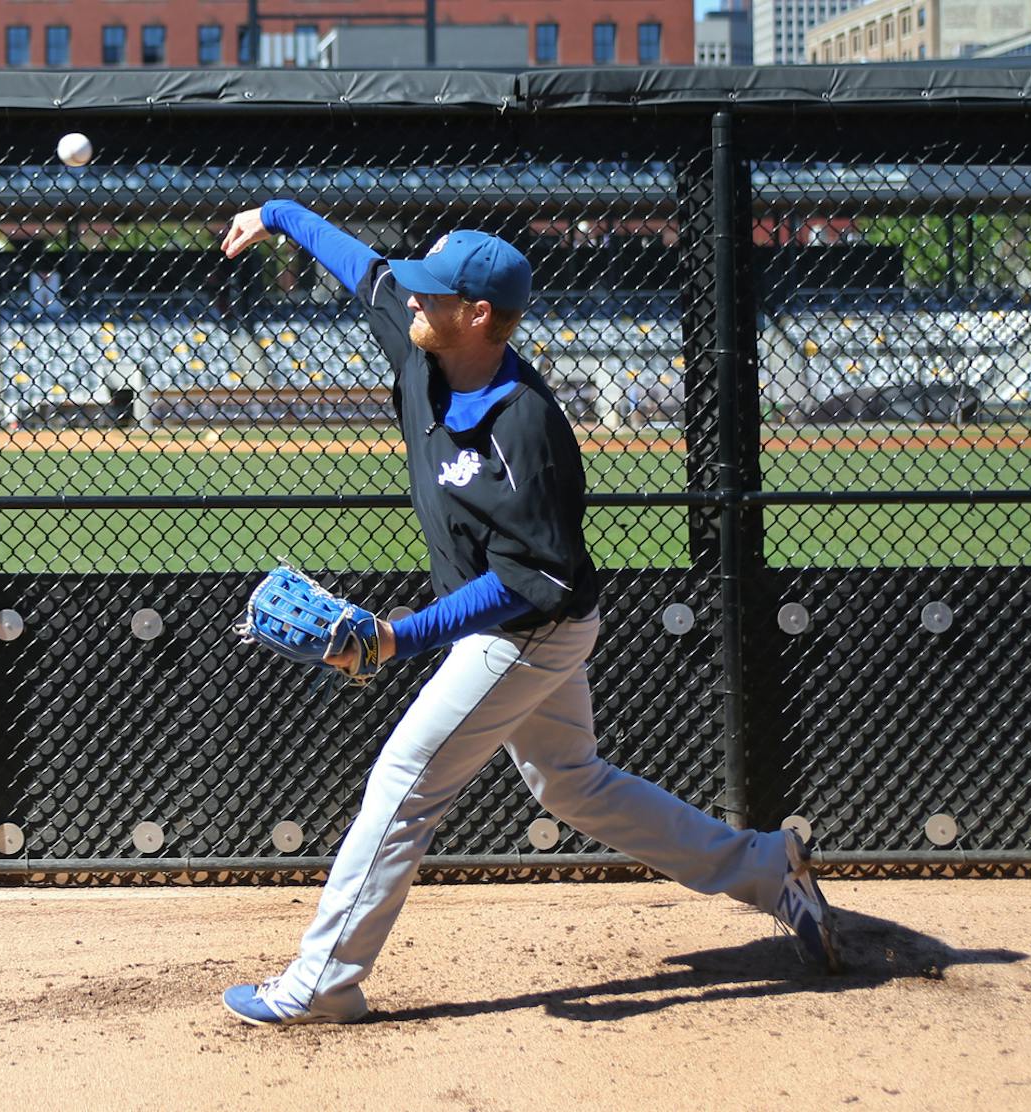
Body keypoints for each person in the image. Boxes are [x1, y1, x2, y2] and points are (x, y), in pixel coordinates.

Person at [215, 201, 841, 1028]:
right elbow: (363, 267)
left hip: (526, 628)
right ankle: (769, 867)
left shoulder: (526, 425)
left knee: (404, 784)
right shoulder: (420, 343)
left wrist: (398, 638)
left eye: (430, 294)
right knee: (572, 786)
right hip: (519, 623)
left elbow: (526, 580)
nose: (410, 299)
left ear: (478, 315)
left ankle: (324, 979)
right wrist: (279, 214)